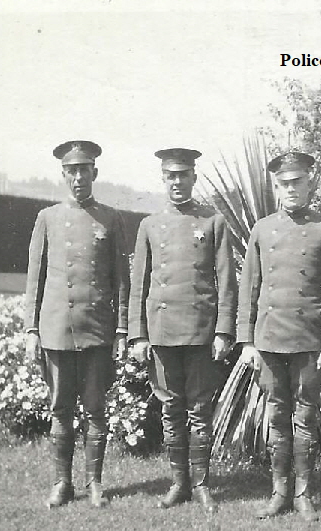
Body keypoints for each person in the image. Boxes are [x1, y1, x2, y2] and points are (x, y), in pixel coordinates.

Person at [237, 151, 321, 523]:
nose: (291, 190)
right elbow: (249, 286)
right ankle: (279, 491)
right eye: (284, 184)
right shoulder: (262, 229)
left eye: (297, 182)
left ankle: (303, 493)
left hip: (309, 338)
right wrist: (246, 340)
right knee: (277, 413)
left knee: (305, 414)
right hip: (269, 339)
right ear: (276, 187)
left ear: (309, 183)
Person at [128, 148, 236, 512]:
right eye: (170, 176)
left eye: (183, 175)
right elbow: (138, 285)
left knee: (200, 408)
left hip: (201, 331)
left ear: (194, 177)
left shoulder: (213, 221)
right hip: (162, 331)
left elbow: (226, 281)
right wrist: (138, 335)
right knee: (171, 408)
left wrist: (223, 331)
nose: (177, 182)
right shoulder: (149, 225)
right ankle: (179, 483)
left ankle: (203, 483)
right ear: (163, 179)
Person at [24, 140, 129, 509]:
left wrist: (121, 330)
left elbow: (122, 280)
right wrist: (32, 330)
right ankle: (62, 483)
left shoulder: (111, 218)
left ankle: (95, 482)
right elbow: (34, 279)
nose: (79, 177)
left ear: (94, 174)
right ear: (64, 175)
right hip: (56, 330)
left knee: (96, 408)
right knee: (60, 408)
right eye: (72, 171)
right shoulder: (48, 218)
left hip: (97, 330)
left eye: (85, 170)